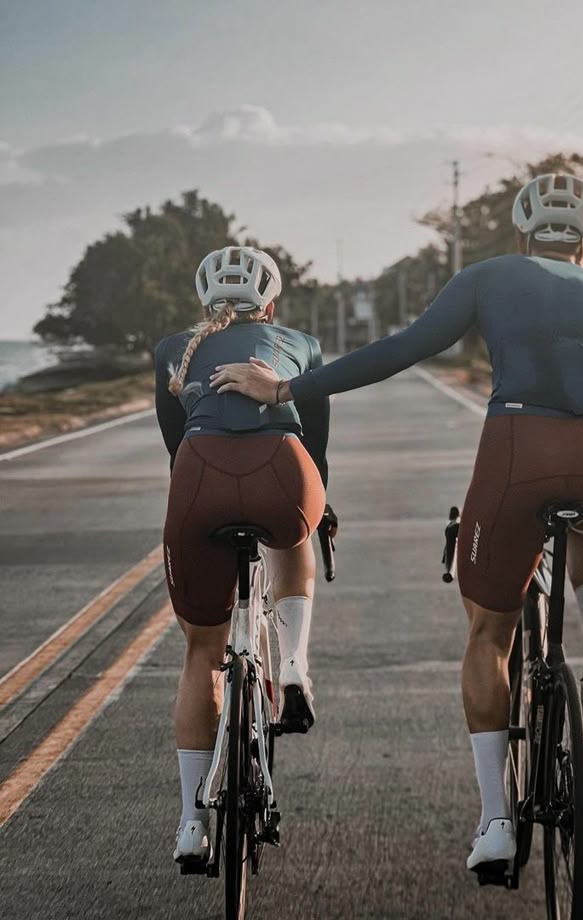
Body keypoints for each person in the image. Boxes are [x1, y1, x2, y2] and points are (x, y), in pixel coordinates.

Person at [210, 175, 583, 878]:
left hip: (520, 451)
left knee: (489, 634)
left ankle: (497, 824)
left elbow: (401, 350)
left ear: (520, 237)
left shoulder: (488, 275)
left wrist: (287, 386)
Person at [154, 246, 330, 865]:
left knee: (202, 654)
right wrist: (321, 506)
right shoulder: (302, 344)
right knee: (294, 535)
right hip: (283, 471)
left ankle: (191, 824)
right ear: (271, 305)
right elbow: (317, 444)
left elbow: (175, 441)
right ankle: (294, 664)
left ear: (204, 302)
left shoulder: (173, 348)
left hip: (198, 475)